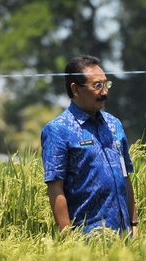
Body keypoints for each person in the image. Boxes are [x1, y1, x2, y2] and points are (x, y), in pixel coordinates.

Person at [41, 55, 138, 235]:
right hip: (88, 239)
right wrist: (67, 239)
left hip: (125, 237)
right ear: (75, 89)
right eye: (97, 86)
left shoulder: (114, 125)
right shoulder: (58, 130)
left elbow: (125, 177)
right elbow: (55, 188)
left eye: (106, 84)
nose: (104, 92)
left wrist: (134, 225)